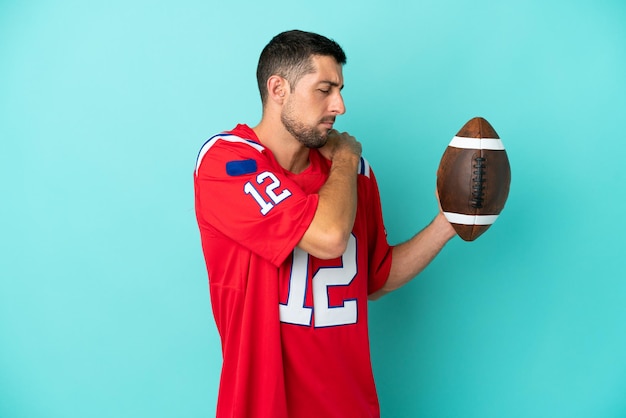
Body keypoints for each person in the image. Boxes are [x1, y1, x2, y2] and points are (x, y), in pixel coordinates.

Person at [194, 29, 456, 418]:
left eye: (341, 89)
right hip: (263, 407)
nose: (340, 105)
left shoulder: (356, 176)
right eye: (325, 89)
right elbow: (330, 237)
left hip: (350, 407)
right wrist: (346, 158)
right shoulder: (228, 162)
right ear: (278, 88)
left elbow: (376, 277)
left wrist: (449, 223)